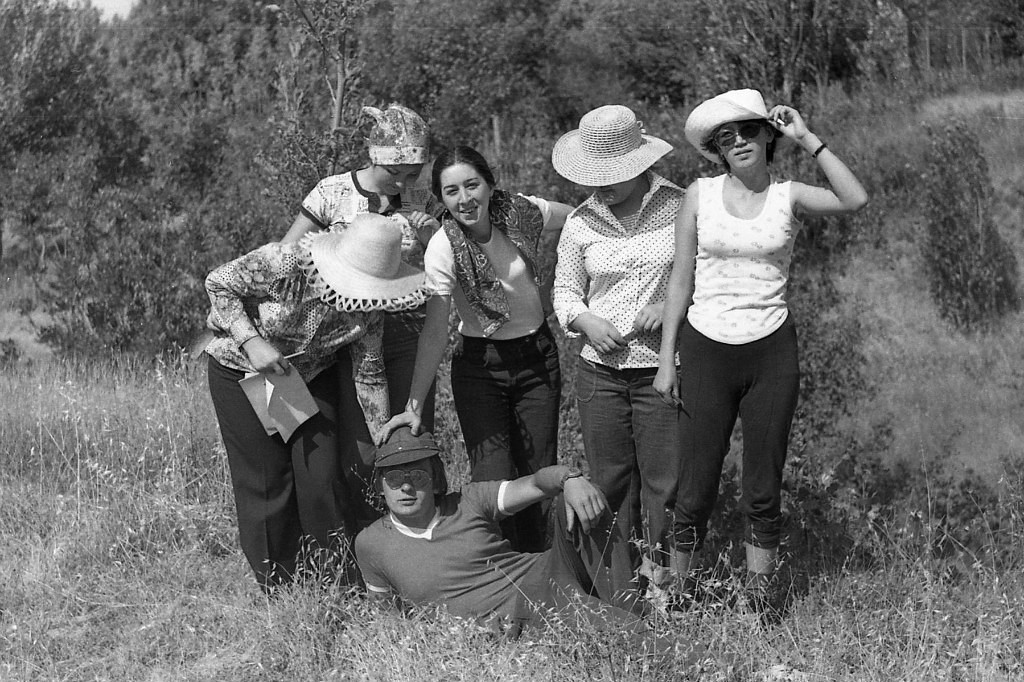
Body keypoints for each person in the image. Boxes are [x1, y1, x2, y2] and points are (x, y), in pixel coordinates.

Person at [653, 89, 868, 590]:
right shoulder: (699, 195)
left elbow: (854, 199)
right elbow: (679, 280)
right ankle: (677, 596)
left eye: (749, 130)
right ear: (717, 150)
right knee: (695, 482)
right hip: (706, 347)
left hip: (771, 349)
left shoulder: (789, 195)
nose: (738, 141)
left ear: (768, 136)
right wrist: (666, 361)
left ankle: (759, 603)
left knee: (763, 484)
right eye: (725, 137)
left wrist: (807, 138)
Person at [203, 213, 429, 592]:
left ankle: (335, 579)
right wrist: (252, 342)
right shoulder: (284, 263)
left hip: (307, 378)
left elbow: (369, 373)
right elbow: (218, 283)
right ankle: (281, 586)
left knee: (320, 476)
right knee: (266, 482)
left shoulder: (370, 308)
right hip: (243, 370)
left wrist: (383, 436)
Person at [380, 145, 574, 552]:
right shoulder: (444, 246)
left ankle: (544, 564)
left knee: (539, 470)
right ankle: (501, 567)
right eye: (451, 191)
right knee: (493, 479)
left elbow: (577, 219)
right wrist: (414, 405)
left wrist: (564, 279)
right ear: (442, 198)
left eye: (472, 185)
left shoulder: (522, 212)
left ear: (490, 184)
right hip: (481, 367)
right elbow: (436, 330)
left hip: (537, 359)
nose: (465, 199)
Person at [550, 105, 685, 597]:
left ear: (638, 163)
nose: (601, 185)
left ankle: (667, 584)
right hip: (600, 372)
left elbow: (706, 274)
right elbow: (565, 291)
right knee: (611, 482)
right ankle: (620, 589)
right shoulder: (581, 221)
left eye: (612, 174)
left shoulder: (681, 206)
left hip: (663, 368)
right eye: (594, 175)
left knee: (666, 482)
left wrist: (669, 305)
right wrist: (585, 319)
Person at [356, 427, 660, 641]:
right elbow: (388, 623)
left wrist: (569, 478)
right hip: (518, 615)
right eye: (394, 478)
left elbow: (536, 485)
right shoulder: (371, 544)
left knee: (585, 499)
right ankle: (636, 629)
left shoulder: (469, 500)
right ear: (381, 486)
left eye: (417, 476)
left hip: (541, 578)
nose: (405, 487)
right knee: (611, 629)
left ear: (436, 479)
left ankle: (632, 613)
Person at [282, 103, 439, 433]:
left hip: (405, 336)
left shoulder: (423, 200)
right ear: (374, 157)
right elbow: (286, 255)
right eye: (393, 172)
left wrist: (431, 237)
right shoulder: (332, 191)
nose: (402, 183)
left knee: (408, 438)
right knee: (356, 442)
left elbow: (444, 264)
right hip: (340, 335)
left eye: (412, 174)